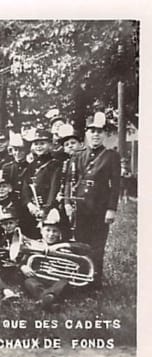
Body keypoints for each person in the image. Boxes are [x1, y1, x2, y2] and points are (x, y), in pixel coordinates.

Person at [65, 112, 120, 290]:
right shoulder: (78, 155)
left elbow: (116, 185)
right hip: (80, 208)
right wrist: (67, 202)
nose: (96, 134)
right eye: (92, 131)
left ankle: (94, 283)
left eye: (100, 131)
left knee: (97, 246)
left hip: (99, 207)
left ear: (105, 134)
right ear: (86, 134)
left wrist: (111, 208)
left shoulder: (111, 156)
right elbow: (68, 181)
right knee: (80, 244)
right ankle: (79, 280)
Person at [19, 208, 92, 310]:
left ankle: (44, 299)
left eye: (55, 231)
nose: (51, 234)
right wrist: (23, 267)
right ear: (41, 231)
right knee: (29, 282)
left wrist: (63, 245)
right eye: (47, 230)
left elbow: (87, 248)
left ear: (59, 233)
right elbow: (22, 261)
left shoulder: (64, 244)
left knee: (64, 284)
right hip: (39, 277)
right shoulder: (35, 244)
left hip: (58, 280)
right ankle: (49, 299)